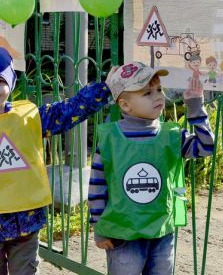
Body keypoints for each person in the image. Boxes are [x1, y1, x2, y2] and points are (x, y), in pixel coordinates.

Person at [0, 46, 111, 274]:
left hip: (26, 226)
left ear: (11, 82)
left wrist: (106, 88)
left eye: (0, 80)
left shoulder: (30, 118)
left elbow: (69, 111)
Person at [88, 62, 215, 275]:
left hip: (162, 233)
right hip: (123, 235)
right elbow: (97, 186)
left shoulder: (172, 136)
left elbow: (206, 146)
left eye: (159, 90)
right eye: (147, 93)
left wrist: (195, 107)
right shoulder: (110, 139)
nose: (158, 96)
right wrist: (99, 228)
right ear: (125, 105)